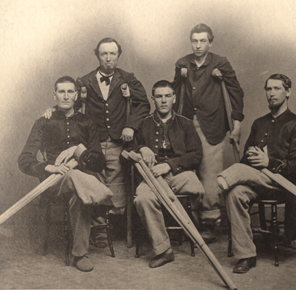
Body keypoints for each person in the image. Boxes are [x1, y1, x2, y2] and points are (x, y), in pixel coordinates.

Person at [44, 38, 150, 246]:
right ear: (97, 55)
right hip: (92, 141)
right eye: (104, 54)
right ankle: (100, 230)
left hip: (119, 141)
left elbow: (143, 104)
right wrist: (52, 110)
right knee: (95, 180)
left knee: (116, 180)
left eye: (112, 54)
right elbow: (68, 100)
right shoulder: (84, 81)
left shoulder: (128, 78)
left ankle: (117, 226)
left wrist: (131, 125)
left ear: (118, 55)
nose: (108, 58)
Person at [217, 74, 296, 273]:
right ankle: (246, 255)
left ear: (288, 92)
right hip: (258, 183)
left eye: (277, 88)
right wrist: (252, 158)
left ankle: (226, 177)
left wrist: (270, 162)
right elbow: (245, 161)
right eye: (268, 89)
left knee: (235, 177)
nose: (271, 94)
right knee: (235, 194)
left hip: (285, 186)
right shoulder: (259, 123)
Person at [18, 76, 114, 272]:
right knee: (73, 176)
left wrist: (78, 151)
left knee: (78, 191)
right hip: (54, 183)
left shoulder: (87, 122)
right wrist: (49, 167)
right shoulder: (44, 122)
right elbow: (24, 160)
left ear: (76, 95)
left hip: (81, 185)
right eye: (61, 92)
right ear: (54, 95)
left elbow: (99, 162)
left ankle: (79, 255)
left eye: (70, 92)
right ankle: (104, 196)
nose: (66, 96)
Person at [173, 23, 244, 243]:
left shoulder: (220, 63)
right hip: (184, 125)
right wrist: (179, 78)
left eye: (202, 41)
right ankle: (190, 221)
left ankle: (211, 222)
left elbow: (236, 92)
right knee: (187, 172)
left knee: (210, 175)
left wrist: (237, 124)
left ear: (210, 42)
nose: (198, 45)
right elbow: (173, 94)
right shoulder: (182, 63)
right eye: (194, 41)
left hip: (211, 125)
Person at [130, 80, 205, 268]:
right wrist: (142, 148)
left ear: (174, 98)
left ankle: (194, 224)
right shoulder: (143, 123)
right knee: (142, 199)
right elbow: (128, 148)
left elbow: (196, 154)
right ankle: (164, 250)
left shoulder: (185, 123)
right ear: (153, 99)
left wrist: (170, 165)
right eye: (159, 96)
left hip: (179, 175)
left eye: (167, 96)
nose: (163, 100)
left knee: (197, 187)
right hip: (152, 177)